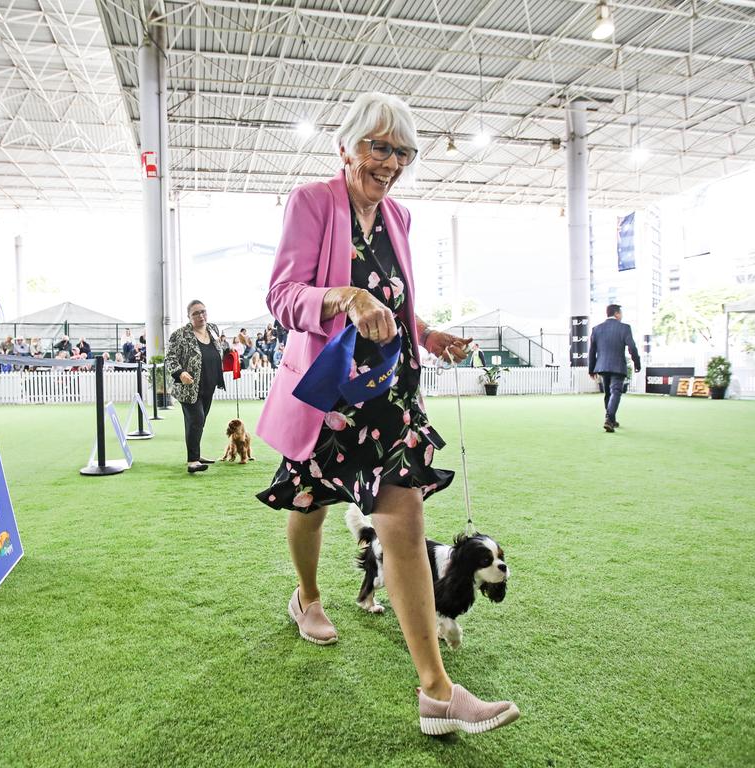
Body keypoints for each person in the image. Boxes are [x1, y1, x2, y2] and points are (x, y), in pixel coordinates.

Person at [254, 92, 516, 736]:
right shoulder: (312, 202)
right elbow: (282, 296)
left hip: (391, 395)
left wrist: (428, 336)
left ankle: (437, 691)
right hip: (328, 393)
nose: (390, 162)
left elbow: (395, 306)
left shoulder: (398, 215)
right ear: (346, 146)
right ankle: (307, 598)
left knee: (403, 522)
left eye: (402, 151)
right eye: (378, 146)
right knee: (309, 505)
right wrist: (346, 295)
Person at [164, 300, 226, 474]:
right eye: (196, 313)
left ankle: (195, 454)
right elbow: (169, 358)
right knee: (196, 419)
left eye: (203, 312)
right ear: (189, 317)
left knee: (198, 421)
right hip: (189, 386)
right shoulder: (180, 334)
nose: (201, 316)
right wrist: (180, 373)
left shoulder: (213, 329)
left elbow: (218, 349)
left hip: (209, 383)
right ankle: (193, 461)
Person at [588, 303, 641, 432]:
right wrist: (637, 363)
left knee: (608, 393)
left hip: (602, 366)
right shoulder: (625, 328)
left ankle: (611, 419)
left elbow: (592, 351)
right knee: (616, 392)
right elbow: (632, 347)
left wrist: (591, 369)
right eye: (621, 313)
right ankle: (609, 418)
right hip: (618, 365)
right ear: (617, 314)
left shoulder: (597, 329)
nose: (621, 316)